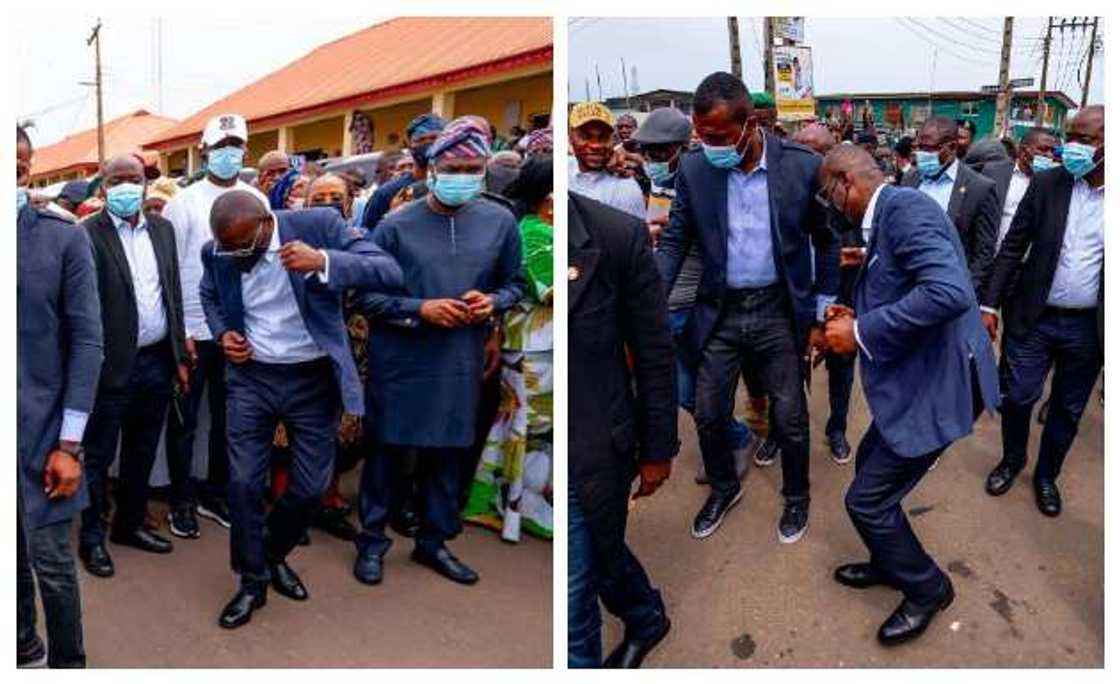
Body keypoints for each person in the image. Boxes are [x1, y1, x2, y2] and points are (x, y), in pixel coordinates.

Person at [817, 144, 999, 646]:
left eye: (827, 195)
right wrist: (862, 268)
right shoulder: (892, 213)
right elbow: (907, 274)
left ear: (842, 183)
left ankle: (927, 588)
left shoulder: (906, 208)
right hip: (921, 379)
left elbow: (948, 292)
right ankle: (888, 561)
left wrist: (859, 332)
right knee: (870, 466)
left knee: (866, 501)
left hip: (939, 383)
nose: (831, 207)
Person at [199, 190, 403, 629]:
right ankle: (252, 581)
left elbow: (388, 271)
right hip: (251, 377)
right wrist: (222, 335)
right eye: (225, 248)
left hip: (311, 380)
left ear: (265, 225)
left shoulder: (320, 227)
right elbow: (210, 294)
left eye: (241, 248)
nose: (232, 256)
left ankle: (272, 554)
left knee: (310, 487)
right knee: (242, 485)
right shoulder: (217, 250)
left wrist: (324, 261)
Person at [656, 71, 838, 543]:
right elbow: (676, 240)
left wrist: (824, 308)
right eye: (702, 136)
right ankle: (723, 487)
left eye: (719, 136)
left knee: (790, 416)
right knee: (709, 411)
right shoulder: (696, 170)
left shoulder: (799, 166)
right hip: (719, 310)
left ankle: (797, 497)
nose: (710, 145)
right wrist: (651, 302)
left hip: (779, 310)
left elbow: (827, 237)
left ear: (751, 123)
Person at [354, 116, 524, 588]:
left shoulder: (499, 221)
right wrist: (419, 308)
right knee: (387, 454)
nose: (463, 177)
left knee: (449, 456)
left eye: (473, 168)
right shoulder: (394, 226)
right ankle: (371, 542)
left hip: (460, 361)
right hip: (401, 359)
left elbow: (515, 285)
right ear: (431, 168)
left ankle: (433, 543)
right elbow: (365, 298)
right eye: (454, 167)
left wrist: (492, 304)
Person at [568, 192, 677, 668]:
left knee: (573, 608)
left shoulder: (616, 234)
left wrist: (658, 450)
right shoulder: (521, 232)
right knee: (600, 552)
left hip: (591, 443)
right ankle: (644, 613)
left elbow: (653, 351)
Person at [979, 106, 1104, 517]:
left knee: (1067, 409)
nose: (1073, 147)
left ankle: (1047, 475)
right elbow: (1013, 245)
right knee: (1017, 396)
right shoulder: (1049, 184)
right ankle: (1012, 460)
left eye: (1086, 139)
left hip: (1090, 328)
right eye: (1072, 136)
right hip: (1034, 315)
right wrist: (989, 304)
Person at [78, 154, 191, 576]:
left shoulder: (162, 229)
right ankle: (92, 537)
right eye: (118, 179)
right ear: (103, 187)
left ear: (146, 185)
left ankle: (129, 524)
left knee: (142, 450)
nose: (127, 186)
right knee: (97, 455)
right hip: (109, 365)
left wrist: (179, 354)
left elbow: (173, 295)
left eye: (135, 179)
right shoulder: (87, 234)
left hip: (157, 362)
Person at [17, 124, 103, 669]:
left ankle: (68, 665)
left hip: (42, 435)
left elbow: (88, 342)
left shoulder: (62, 237)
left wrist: (69, 445)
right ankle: (22, 647)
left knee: (50, 562)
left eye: (16, 159)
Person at [161, 114, 270, 539]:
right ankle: (181, 500)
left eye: (236, 144)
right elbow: (171, 272)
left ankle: (216, 493)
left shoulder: (254, 198)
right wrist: (181, 330)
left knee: (232, 419)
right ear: (204, 150)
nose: (229, 152)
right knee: (185, 420)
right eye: (220, 144)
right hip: (193, 329)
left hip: (237, 331)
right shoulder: (183, 202)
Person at [636, 107, 757, 482]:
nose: (652, 161)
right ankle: (729, 440)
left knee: (697, 395)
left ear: (683, 149)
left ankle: (736, 440)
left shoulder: (708, 184)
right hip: (662, 304)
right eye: (647, 153)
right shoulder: (653, 185)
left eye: (660, 153)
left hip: (695, 308)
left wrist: (676, 227)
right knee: (681, 393)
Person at [464, 154, 554, 542]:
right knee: (530, 429)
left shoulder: (537, 228)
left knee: (528, 428)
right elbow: (555, 294)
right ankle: (519, 505)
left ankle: (512, 501)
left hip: (540, 347)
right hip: (533, 349)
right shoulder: (533, 232)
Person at [900, 116, 1000, 294]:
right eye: (919, 148)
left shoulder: (979, 188)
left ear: (952, 147)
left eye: (930, 149)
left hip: (951, 290)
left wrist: (966, 290)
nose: (922, 155)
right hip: (907, 285)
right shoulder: (910, 178)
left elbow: (984, 251)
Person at [360, 113, 446, 231]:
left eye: (434, 138)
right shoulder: (386, 194)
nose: (428, 144)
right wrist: (391, 217)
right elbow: (367, 238)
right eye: (420, 140)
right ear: (410, 146)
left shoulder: (454, 188)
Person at [978, 127, 1059, 251]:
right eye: (1043, 149)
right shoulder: (994, 172)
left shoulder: (1056, 182)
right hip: (990, 257)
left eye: (1053, 151)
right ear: (1022, 150)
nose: (1049, 155)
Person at [568, 102, 646, 219]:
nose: (595, 145)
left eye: (603, 137)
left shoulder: (626, 190)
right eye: (585, 136)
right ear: (570, 138)